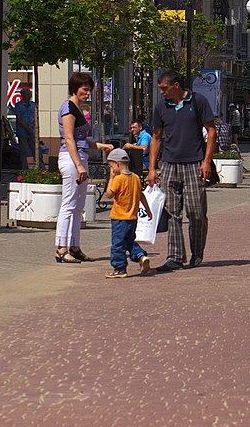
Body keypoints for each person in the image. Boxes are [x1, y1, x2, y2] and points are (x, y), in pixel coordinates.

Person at [148, 70, 216, 272]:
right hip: (169, 164)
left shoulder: (198, 101)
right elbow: (156, 137)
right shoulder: (161, 107)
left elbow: (211, 130)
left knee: (196, 212)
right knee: (171, 213)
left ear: (176, 85)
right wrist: (152, 168)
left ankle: (197, 253)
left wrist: (207, 162)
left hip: (194, 163)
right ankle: (175, 257)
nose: (161, 92)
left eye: (164, 88)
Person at [55, 72, 112, 264]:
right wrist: (79, 165)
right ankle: (61, 247)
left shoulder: (78, 108)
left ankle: (75, 246)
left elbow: (80, 139)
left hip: (80, 158)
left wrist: (99, 146)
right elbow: (69, 138)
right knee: (69, 203)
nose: (87, 93)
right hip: (72, 160)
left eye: (89, 90)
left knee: (78, 206)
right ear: (75, 88)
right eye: (84, 89)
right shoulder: (68, 107)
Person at [104, 148, 152, 278]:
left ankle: (119, 268)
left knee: (118, 243)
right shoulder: (135, 178)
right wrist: (148, 211)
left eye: (111, 166)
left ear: (117, 163)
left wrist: (111, 178)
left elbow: (109, 194)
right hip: (132, 217)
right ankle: (140, 256)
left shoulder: (119, 179)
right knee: (128, 241)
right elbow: (141, 196)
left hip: (119, 217)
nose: (112, 169)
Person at [14, 87, 37, 168]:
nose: (29, 95)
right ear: (22, 95)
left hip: (32, 131)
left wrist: (31, 126)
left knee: (36, 150)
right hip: (22, 131)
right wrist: (26, 127)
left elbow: (36, 116)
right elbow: (18, 119)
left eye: (30, 93)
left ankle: (39, 167)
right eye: (27, 94)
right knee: (23, 151)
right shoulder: (18, 105)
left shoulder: (33, 105)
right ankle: (24, 168)